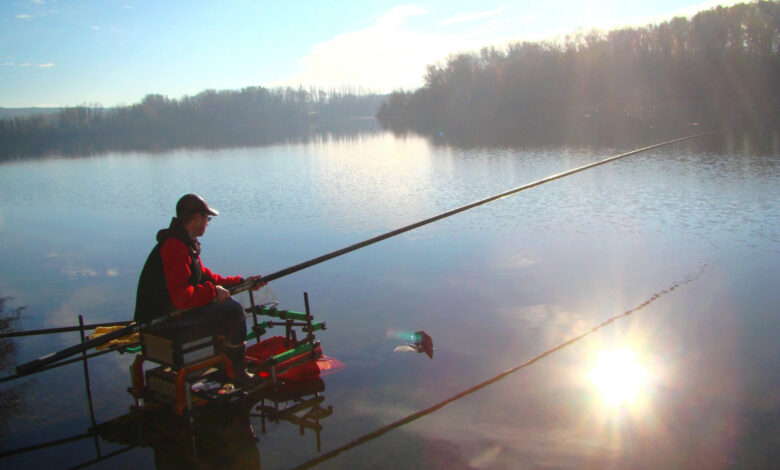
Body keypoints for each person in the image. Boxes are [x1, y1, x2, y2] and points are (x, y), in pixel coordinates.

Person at [134, 193, 263, 383]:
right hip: (162, 321)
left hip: (172, 313)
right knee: (233, 310)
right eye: (206, 218)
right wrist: (213, 291)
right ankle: (238, 372)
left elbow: (206, 277)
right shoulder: (174, 247)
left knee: (223, 306)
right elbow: (181, 298)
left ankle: (223, 362)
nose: (208, 223)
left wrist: (243, 282)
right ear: (195, 218)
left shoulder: (185, 243)